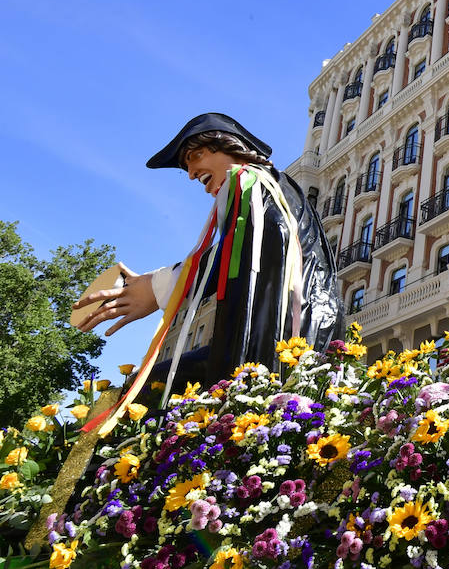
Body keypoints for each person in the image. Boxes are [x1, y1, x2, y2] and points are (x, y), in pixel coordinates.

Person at [74, 113, 341, 430]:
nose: (190, 174)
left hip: (286, 336)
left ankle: (88, 453)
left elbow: (243, 246)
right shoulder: (275, 188)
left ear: (228, 146)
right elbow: (244, 249)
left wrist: (157, 287)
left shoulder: (251, 183)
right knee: (158, 386)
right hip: (298, 330)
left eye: (195, 156)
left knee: (151, 389)